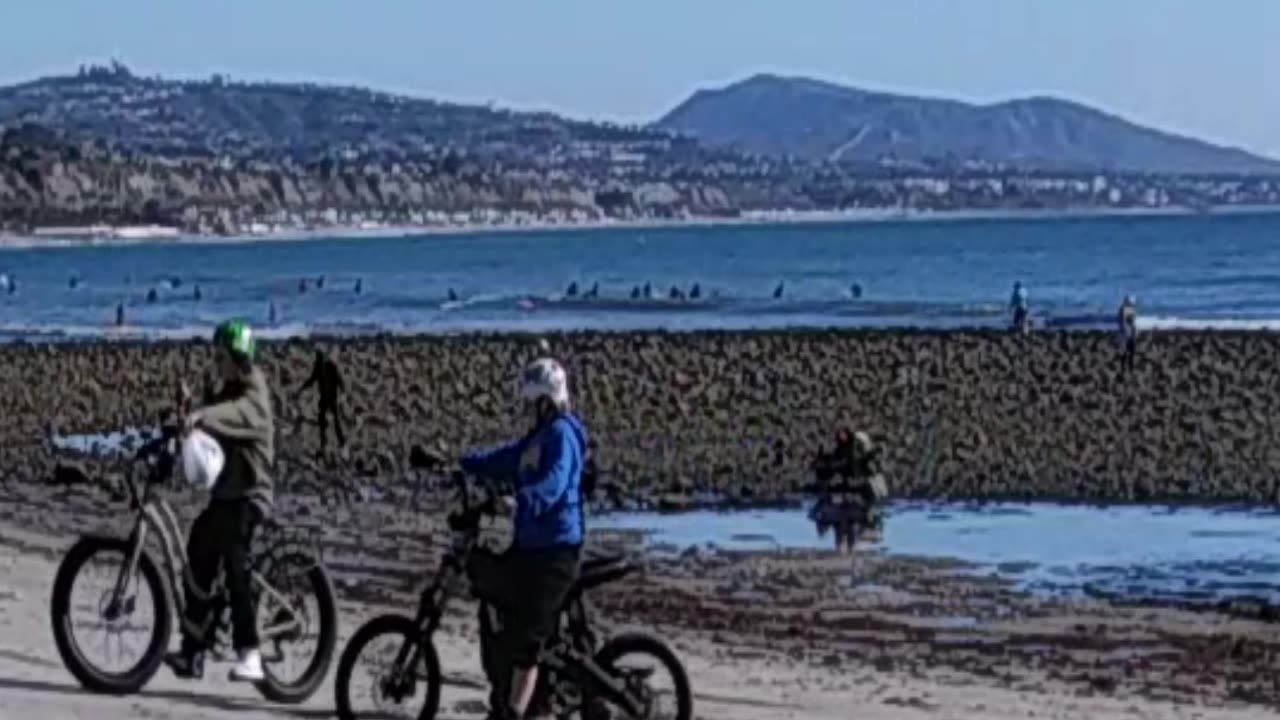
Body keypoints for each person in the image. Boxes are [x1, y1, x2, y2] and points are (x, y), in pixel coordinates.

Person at [462, 358, 586, 720]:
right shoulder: (539, 436)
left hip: (556, 550)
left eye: (532, 402)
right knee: (499, 607)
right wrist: (466, 463)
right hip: (530, 547)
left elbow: (555, 483)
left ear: (546, 401)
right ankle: (520, 697)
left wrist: (521, 502)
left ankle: (514, 713)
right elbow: (509, 458)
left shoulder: (562, 433)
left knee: (529, 639)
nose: (528, 409)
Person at [165, 319, 274, 682]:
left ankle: (251, 653)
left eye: (221, 355)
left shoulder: (253, 393)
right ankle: (193, 650)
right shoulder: (224, 389)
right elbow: (205, 420)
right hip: (226, 495)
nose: (216, 361)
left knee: (234, 560)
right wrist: (185, 410)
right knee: (197, 550)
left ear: (239, 358)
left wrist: (201, 414)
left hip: (251, 496)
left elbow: (231, 415)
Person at [809, 428, 888, 553]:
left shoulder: (866, 464)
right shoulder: (841, 458)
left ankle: (847, 542)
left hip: (852, 504)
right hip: (845, 504)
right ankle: (846, 542)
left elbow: (877, 490)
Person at [296, 349, 346, 451]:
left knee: (335, 419)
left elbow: (339, 379)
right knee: (324, 419)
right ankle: (325, 441)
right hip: (325, 397)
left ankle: (340, 440)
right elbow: (311, 380)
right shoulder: (319, 367)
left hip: (331, 396)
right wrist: (301, 389)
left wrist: (342, 390)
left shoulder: (330, 365)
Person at [1118, 294, 1138, 373]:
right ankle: (1129, 368)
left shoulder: (1123, 309)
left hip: (1124, 333)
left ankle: (1125, 368)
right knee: (1130, 353)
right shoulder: (1128, 309)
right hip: (1127, 334)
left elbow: (1124, 322)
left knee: (1126, 353)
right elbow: (1130, 322)